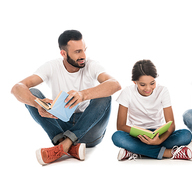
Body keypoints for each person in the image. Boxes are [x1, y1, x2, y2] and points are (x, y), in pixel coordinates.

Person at [11, 30, 121, 165]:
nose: (83, 56)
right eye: (77, 52)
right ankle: (69, 146)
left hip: (90, 127)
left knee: (104, 96)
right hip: (61, 125)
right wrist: (37, 104)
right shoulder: (52, 66)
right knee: (32, 93)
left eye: (84, 50)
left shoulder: (91, 65)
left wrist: (83, 95)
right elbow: (17, 88)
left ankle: (64, 144)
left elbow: (115, 84)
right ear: (63, 53)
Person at [112, 60, 192, 160]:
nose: (148, 88)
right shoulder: (127, 92)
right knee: (117, 137)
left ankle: (135, 151)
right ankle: (168, 153)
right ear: (135, 82)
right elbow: (120, 126)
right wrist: (142, 134)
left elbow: (171, 124)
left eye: (152, 83)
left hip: (158, 134)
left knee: (186, 135)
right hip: (137, 136)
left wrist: (159, 140)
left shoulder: (162, 91)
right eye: (142, 85)